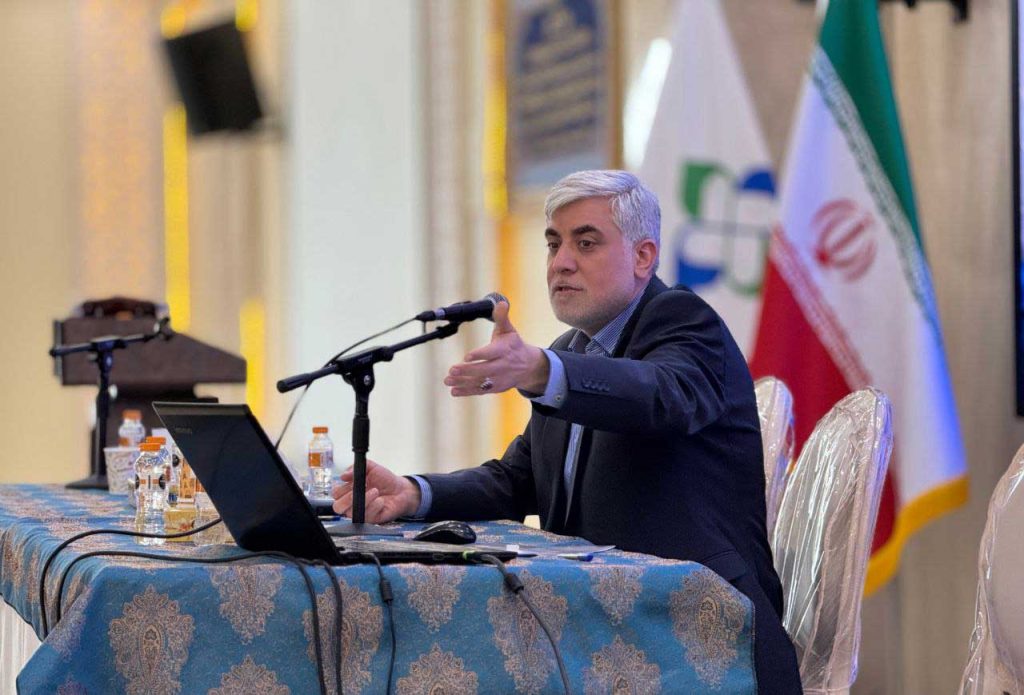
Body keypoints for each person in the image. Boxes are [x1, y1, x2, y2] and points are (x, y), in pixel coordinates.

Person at [332, 170, 801, 693]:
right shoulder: (570, 352)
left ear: (643, 256)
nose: (561, 262)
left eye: (586, 242)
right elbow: (517, 480)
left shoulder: (683, 320)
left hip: (700, 632)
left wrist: (543, 372)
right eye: (554, 243)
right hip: (596, 630)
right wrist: (415, 493)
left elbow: (658, 395)